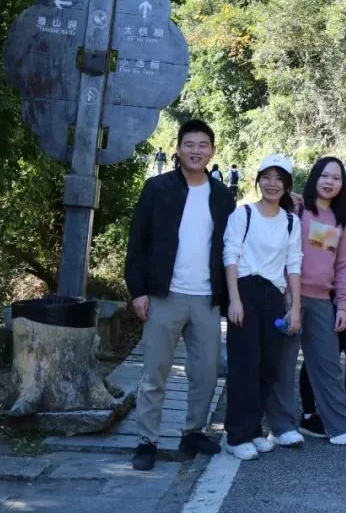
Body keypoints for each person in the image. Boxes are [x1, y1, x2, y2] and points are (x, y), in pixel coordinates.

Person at [125, 119, 235, 471]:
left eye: (203, 145)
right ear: (178, 148)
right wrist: (138, 291)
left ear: (213, 151)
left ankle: (192, 432)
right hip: (164, 294)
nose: (196, 150)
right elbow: (137, 244)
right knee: (154, 372)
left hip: (206, 298)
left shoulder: (222, 196)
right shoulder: (157, 188)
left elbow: (232, 246)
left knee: (204, 372)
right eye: (190, 144)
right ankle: (147, 440)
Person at [223, 154, 303, 460]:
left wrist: (295, 306)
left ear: (286, 185)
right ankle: (236, 435)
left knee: (268, 365)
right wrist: (234, 299)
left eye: (279, 179)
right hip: (245, 290)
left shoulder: (290, 222)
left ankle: (254, 429)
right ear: (258, 180)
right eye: (266, 177)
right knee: (244, 364)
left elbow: (294, 263)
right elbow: (230, 255)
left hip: (274, 295)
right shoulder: (242, 215)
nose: (272, 184)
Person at [296, 156, 346, 446]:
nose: (330, 182)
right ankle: (274, 426)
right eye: (325, 176)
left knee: (328, 364)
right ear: (315, 177)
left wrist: (343, 305)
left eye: (336, 178)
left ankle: (343, 428)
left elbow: (344, 267)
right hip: (288, 297)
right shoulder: (297, 210)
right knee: (276, 363)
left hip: (321, 300)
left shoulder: (339, 220)